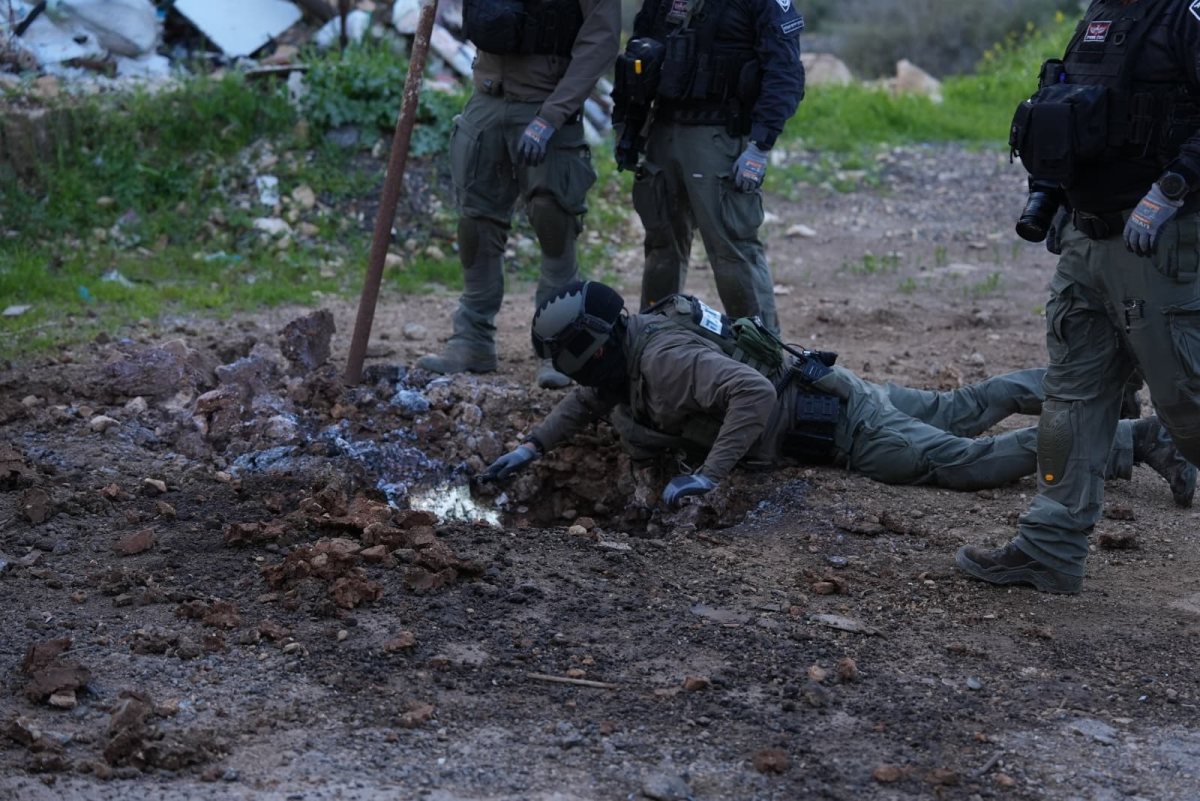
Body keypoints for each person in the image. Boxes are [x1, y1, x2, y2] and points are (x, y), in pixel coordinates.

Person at [479, 281, 1196, 520]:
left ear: (597, 347)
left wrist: (711, 473)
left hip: (838, 423)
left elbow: (752, 393)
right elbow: (591, 400)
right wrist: (530, 448)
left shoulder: (662, 362)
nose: (581, 383)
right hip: (833, 387)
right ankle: (1093, 392)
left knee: (962, 460)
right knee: (965, 404)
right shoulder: (632, 343)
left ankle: (1134, 439)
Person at [963, 0, 1200, 593]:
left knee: (1188, 405)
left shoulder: (1184, 15)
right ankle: (1049, 548)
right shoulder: (1104, 13)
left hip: (1161, 243)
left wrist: (1173, 188)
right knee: (1071, 399)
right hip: (1086, 237)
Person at [416, 0, 621, 389]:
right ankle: (472, 339)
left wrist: (552, 116)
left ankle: (558, 349)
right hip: (487, 101)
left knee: (552, 219)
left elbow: (601, 40)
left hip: (547, 104)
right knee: (475, 222)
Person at [609, 0, 805, 334]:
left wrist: (760, 146)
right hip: (663, 130)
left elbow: (785, 73)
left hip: (718, 137)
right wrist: (629, 129)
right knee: (661, 247)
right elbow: (638, 59)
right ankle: (654, 345)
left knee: (732, 249)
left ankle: (764, 353)